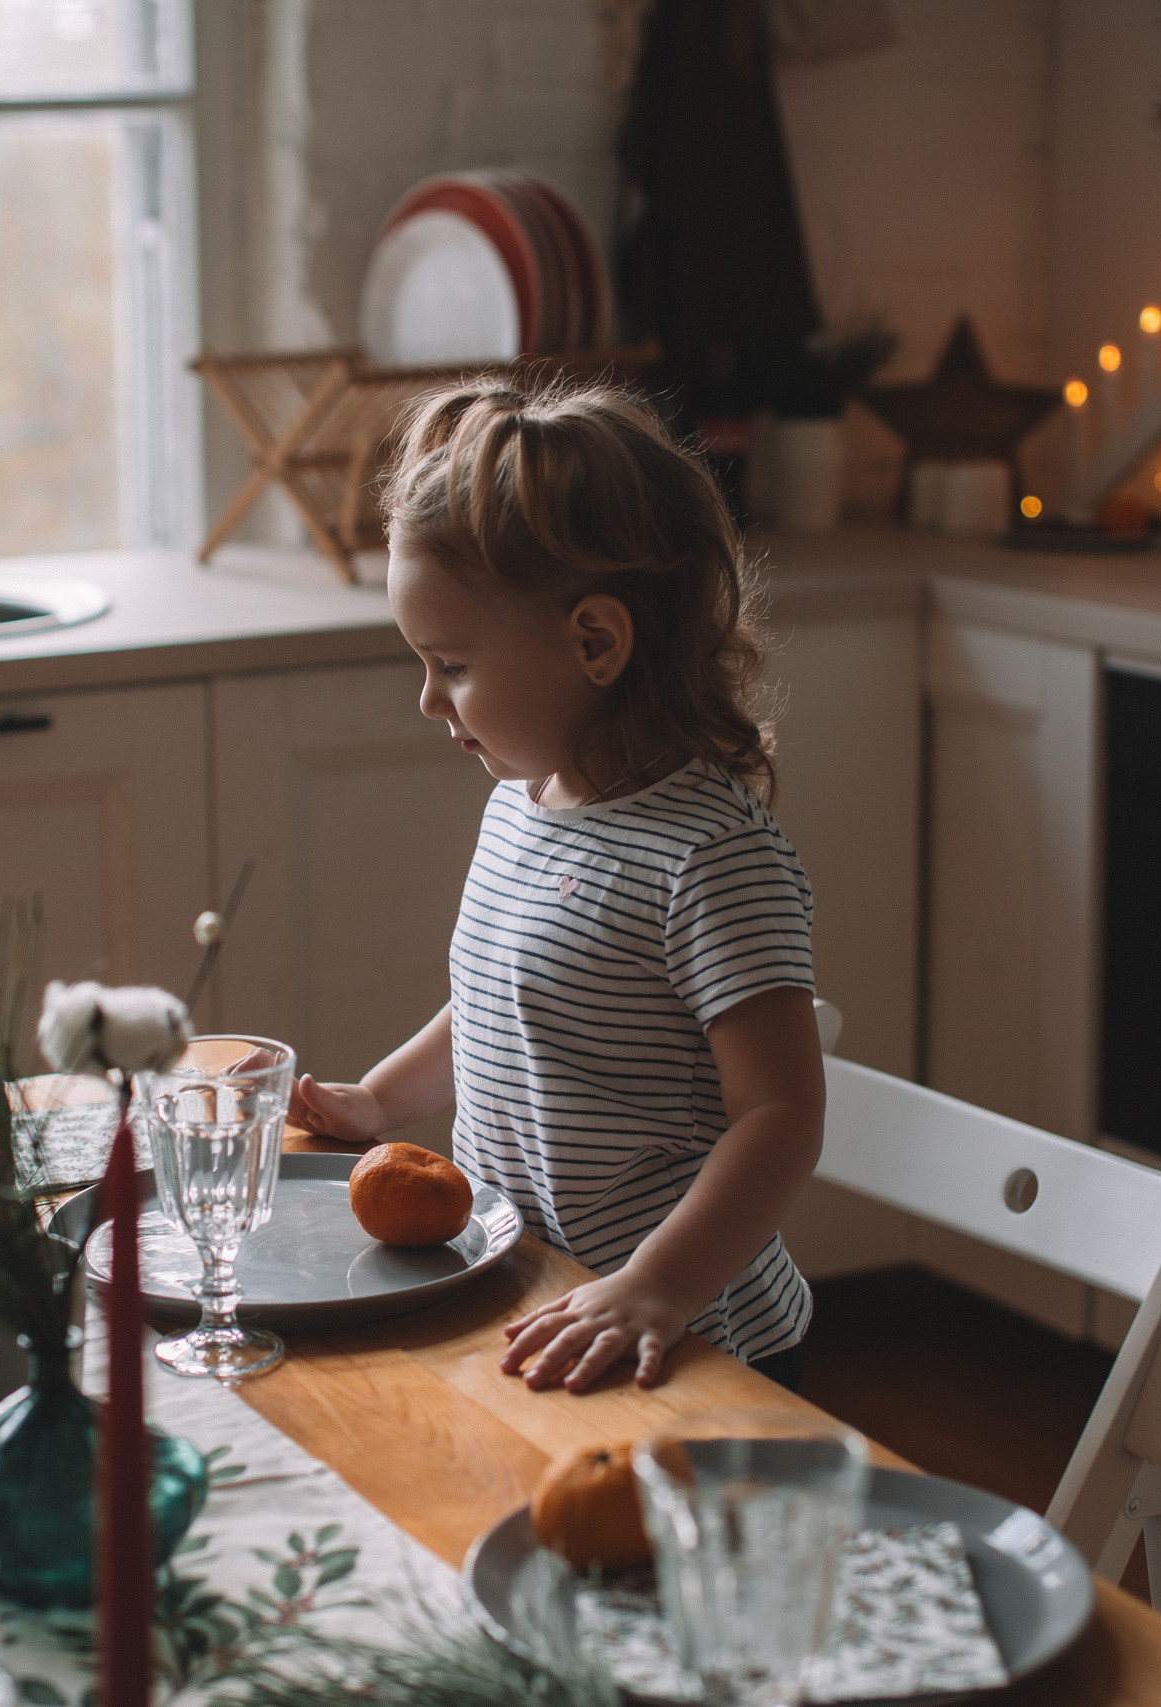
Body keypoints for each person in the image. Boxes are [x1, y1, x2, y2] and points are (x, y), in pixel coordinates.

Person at [289, 378, 826, 1394]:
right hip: (547, 1300)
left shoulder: (711, 857)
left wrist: (659, 1284)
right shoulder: (522, 805)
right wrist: (379, 1099)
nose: (426, 699)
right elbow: (494, 1004)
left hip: (695, 1346)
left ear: (596, 643)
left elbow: (781, 1116)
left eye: (451, 664)